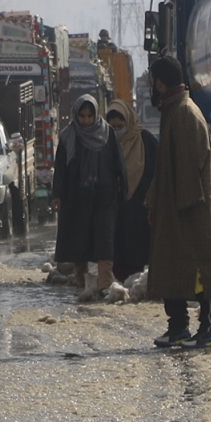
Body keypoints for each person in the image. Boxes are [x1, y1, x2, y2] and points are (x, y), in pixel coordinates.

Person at [145, 56, 211, 348]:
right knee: (173, 269)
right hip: (176, 210)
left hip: (191, 212)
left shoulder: (184, 112)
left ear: (161, 83)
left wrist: (181, 210)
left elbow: (188, 168)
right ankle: (178, 328)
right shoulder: (173, 109)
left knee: (203, 269)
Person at [50, 93, 127, 301]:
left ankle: (103, 283)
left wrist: (122, 191)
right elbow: (61, 169)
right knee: (79, 243)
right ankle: (82, 283)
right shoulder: (68, 137)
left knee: (104, 240)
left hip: (104, 196)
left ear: (95, 115)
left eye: (89, 116)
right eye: (82, 116)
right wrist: (57, 195)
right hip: (76, 198)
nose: (85, 121)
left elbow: (118, 163)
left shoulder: (107, 134)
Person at [108, 98, 159, 283]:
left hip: (141, 207)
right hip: (116, 208)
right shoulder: (106, 143)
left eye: (120, 125)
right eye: (112, 127)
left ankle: (139, 282)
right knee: (118, 250)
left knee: (140, 248)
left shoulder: (145, 140)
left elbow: (158, 171)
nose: (117, 129)